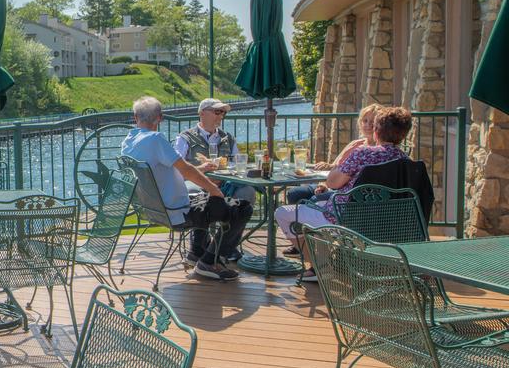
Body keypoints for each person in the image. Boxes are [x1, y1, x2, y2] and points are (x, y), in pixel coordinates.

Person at [121, 96, 253, 280]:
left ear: (135, 117)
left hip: (153, 208)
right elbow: (186, 169)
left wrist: (206, 184)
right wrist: (215, 191)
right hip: (176, 211)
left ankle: (197, 252)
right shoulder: (156, 139)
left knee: (202, 198)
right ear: (160, 118)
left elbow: (175, 171)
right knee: (242, 208)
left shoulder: (128, 142)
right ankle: (209, 261)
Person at [276, 106, 414, 281]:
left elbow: (333, 182)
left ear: (377, 132)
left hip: (346, 218)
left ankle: (320, 266)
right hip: (386, 221)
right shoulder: (406, 161)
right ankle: (324, 265)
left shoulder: (362, 153)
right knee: (317, 206)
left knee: (282, 213)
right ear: (403, 135)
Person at [281, 104, 380, 255]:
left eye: (372, 122)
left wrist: (328, 184)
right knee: (295, 194)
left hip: (343, 190)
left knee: (314, 199)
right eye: (365, 121)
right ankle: (300, 244)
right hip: (331, 182)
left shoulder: (367, 152)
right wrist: (324, 178)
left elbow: (341, 177)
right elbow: (336, 166)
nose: (367, 125)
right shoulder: (355, 144)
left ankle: (317, 253)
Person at [173, 98, 256, 261]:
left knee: (248, 192)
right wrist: (202, 170)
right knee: (197, 194)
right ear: (202, 113)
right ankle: (200, 246)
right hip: (197, 184)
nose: (221, 116)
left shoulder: (227, 138)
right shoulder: (185, 138)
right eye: (217, 111)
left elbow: (238, 164)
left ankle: (223, 246)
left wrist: (225, 172)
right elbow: (176, 171)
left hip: (224, 185)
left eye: (223, 112)